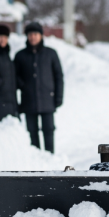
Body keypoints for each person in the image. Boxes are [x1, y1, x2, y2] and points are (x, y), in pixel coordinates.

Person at [14, 22, 64, 153]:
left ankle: (50, 158)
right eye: (30, 34)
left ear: (41, 36)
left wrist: (58, 97)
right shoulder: (20, 55)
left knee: (49, 130)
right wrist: (23, 85)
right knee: (32, 132)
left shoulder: (51, 54)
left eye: (35, 34)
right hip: (28, 101)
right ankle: (36, 162)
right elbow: (14, 76)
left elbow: (59, 76)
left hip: (48, 100)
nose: (33, 37)